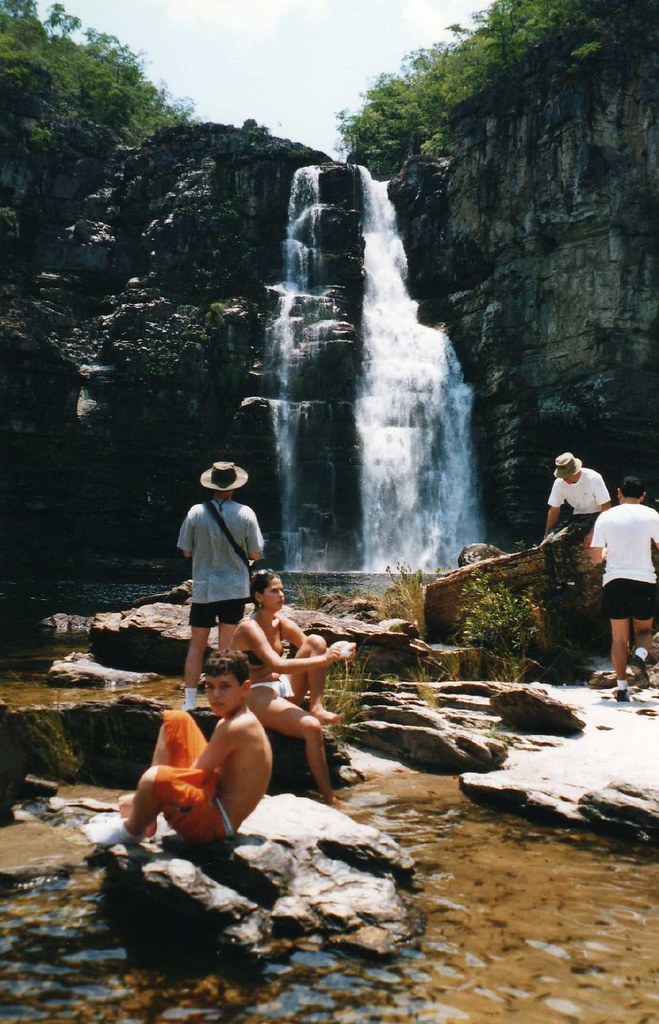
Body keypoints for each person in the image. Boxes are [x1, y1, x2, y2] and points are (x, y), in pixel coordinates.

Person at [84, 650, 272, 846]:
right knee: (176, 720)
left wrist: (142, 798)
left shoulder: (237, 727)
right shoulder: (233, 719)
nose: (215, 695)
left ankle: (131, 829)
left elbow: (196, 773)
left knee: (154, 778)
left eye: (225, 686)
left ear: (245, 688)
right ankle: (148, 817)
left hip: (214, 823)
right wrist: (146, 797)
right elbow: (202, 774)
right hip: (211, 797)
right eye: (210, 686)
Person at [231, 569, 355, 805]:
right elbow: (277, 664)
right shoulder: (249, 627)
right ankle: (330, 798)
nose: (281, 595)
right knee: (312, 728)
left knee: (316, 640)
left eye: (282, 590)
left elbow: (313, 649)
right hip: (255, 693)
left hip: (280, 688)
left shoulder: (279, 622)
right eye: (274, 591)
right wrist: (325, 659)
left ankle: (317, 706)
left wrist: (339, 650)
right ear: (258, 596)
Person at [177, 460, 263, 711]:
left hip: (204, 587)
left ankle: (189, 702)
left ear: (211, 485)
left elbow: (185, 551)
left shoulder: (195, 512)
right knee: (227, 648)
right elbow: (255, 554)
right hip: (234, 589)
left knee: (196, 646)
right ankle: (226, 701)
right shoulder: (246, 513)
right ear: (234, 486)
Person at [589, 476, 659, 702]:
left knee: (619, 637)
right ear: (643, 496)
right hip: (644, 580)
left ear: (619, 493)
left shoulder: (605, 516)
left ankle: (621, 688)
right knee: (644, 631)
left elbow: (595, 557)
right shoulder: (652, 515)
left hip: (615, 581)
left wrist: (606, 553)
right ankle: (639, 656)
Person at [542, 452, 611, 544]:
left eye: (567, 475)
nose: (564, 479)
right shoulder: (559, 483)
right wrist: (547, 534)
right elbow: (554, 510)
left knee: (559, 541)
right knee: (548, 542)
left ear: (576, 471)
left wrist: (594, 532)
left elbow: (606, 507)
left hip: (596, 515)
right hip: (577, 516)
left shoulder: (593, 478)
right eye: (562, 476)